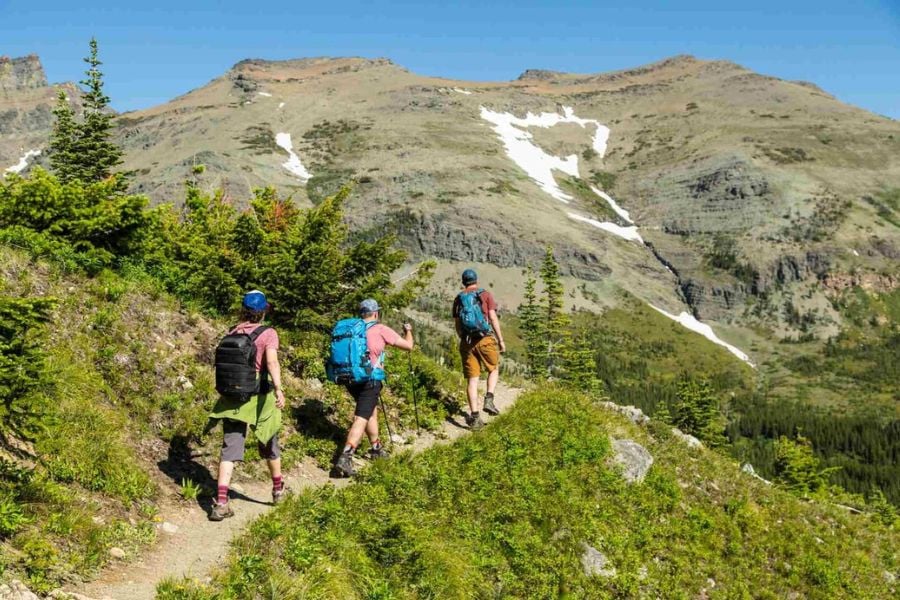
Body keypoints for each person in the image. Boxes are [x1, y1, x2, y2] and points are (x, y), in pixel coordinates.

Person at [208, 290, 287, 521]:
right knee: (269, 441)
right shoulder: (268, 333)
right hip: (259, 397)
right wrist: (279, 389)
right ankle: (278, 490)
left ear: (243, 310)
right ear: (263, 311)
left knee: (229, 449)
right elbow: (271, 362)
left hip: (232, 398)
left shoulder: (233, 331)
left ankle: (221, 502)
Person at [333, 299, 414, 477]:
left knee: (370, 411)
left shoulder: (353, 328)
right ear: (376, 313)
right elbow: (408, 346)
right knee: (361, 417)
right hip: (370, 379)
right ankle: (346, 456)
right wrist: (408, 331)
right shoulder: (380, 329)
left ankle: (376, 448)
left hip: (350, 378)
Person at [453, 268, 506, 430]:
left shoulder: (459, 298)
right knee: (493, 368)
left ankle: (475, 418)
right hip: (485, 339)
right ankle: (489, 399)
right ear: (476, 280)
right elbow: (493, 318)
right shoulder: (485, 294)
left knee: (472, 380)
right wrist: (500, 340)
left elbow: (457, 324)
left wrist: (464, 339)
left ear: (463, 282)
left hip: (467, 342)